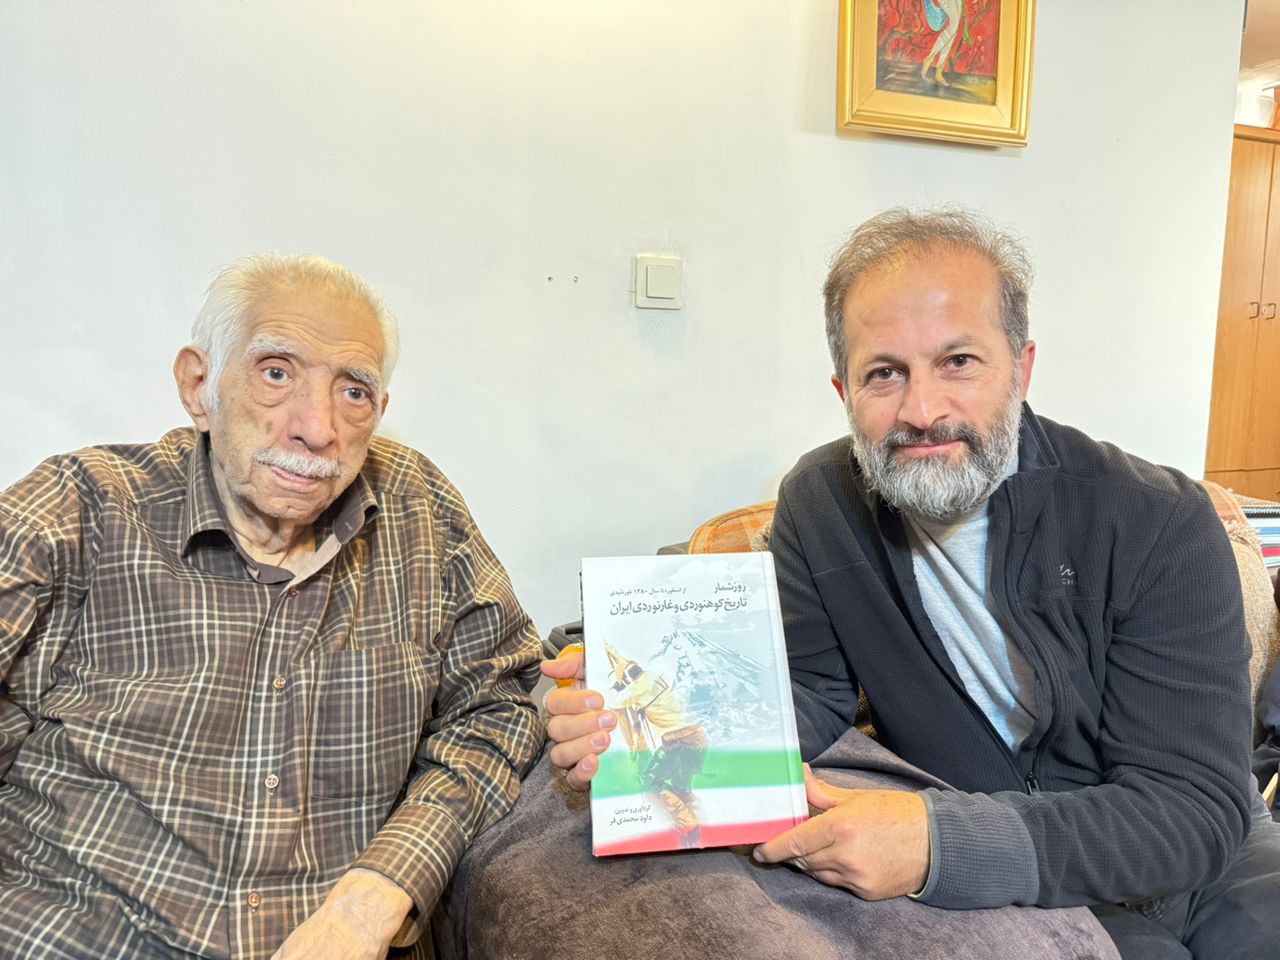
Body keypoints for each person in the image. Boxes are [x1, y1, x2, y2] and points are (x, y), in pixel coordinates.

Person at [543, 207, 1280, 958]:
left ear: (1021, 369)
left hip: (1201, 866)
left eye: (958, 361)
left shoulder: (1157, 518)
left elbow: (1193, 811)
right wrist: (637, 717)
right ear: (843, 390)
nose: (922, 411)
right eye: (884, 373)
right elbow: (807, 693)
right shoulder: (820, 503)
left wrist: (937, 843)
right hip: (1018, 883)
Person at [0, 254, 544, 959]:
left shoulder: (420, 511)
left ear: (380, 412)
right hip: (74, 931)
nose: (316, 427)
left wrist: (373, 899)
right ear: (198, 386)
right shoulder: (84, 505)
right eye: (277, 373)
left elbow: (497, 707)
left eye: (353, 391)